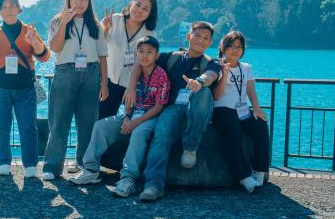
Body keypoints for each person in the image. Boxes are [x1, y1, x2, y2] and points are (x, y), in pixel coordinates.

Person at [124, 21, 221, 201]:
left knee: (203, 92)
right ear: (188, 36)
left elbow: (211, 76)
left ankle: (190, 147)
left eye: (206, 38)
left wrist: (198, 81)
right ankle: (153, 185)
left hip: (197, 110)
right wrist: (131, 86)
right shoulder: (172, 57)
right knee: (161, 134)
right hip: (173, 108)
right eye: (197, 35)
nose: (201, 40)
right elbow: (141, 62)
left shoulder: (212, 63)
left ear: (210, 43)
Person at [71, 36, 170, 197]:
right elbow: (129, 100)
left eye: (150, 52)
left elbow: (159, 106)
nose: (145, 55)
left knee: (138, 133)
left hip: (149, 118)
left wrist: (135, 122)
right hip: (132, 114)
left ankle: (128, 178)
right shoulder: (134, 74)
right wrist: (127, 117)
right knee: (100, 126)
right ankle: (91, 169)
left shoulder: (161, 76)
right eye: (141, 52)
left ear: (157, 55)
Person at [0, 0, 49, 178]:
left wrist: (34, 42)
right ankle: (4, 163)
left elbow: (44, 57)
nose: (9, 10)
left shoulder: (28, 30)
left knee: (28, 127)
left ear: (19, 8)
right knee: (1, 126)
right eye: (4, 7)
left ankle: (30, 165)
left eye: (12, 6)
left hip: (25, 88)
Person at [41, 0, 109, 181]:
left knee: (88, 122)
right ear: (68, 0)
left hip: (91, 73)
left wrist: (104, 83)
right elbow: (55, 47)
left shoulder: (95, 24)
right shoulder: (57, 21)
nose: (79, 3)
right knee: (59, 121)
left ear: (89, 1)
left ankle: (85, 166)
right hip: (65, 71)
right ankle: (52, 167)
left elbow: (103, 55)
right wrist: (64, 22)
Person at [211, 30, 269, 192]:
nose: (235, 50)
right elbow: (216, 96)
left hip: (242, 110)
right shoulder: (217, 66)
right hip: (222, 110)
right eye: (231, 46)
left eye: (239, 46)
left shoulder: (246, 68)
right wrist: (225, 74)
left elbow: (250, 90)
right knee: (233, 132)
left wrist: (256, 109)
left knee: (261, 125)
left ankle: (259, 170)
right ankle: (243, 177)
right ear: (223, 47)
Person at [98, 0, 158, 119]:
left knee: (131, 122)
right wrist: (105, 29)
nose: (139, 10)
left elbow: (146, 63)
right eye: (138, 4)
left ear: (149, 14)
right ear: (131, 3)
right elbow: (98, 47)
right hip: (108, 82)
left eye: (145, 9)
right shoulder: (113, 20)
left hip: (134, 85)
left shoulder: (150, 34)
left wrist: (132, 87)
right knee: (101, 121)